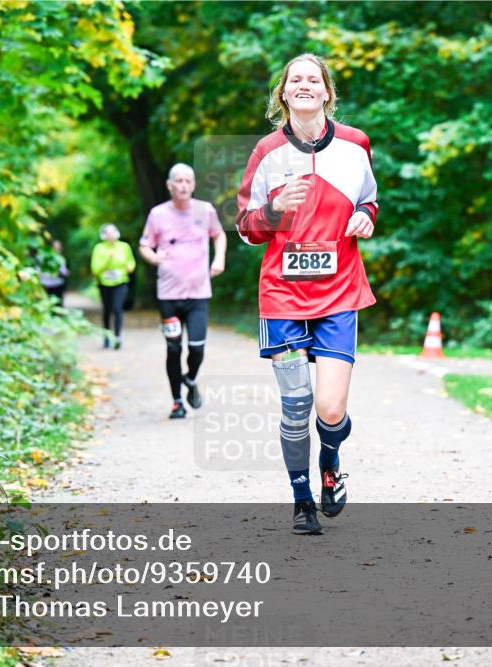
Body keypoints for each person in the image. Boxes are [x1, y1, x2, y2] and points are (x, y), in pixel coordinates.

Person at [235, 54, 377, 535]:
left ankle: (330, 467)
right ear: (283, 93)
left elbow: (368, 197)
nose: (303, 85)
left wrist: (367, 217)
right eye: (295, 79)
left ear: (326, 92)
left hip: (339, 292)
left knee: (330, 410)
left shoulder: (356, 144)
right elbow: (246, 227)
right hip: (283, 297)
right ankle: (301, 501)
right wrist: (273, 210)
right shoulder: (266, 151)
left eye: (312, 79)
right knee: (296, 406)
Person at [139, 163, 227, 419]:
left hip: (199, 294)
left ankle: (190, 379)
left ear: (194, 184)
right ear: (169, 185)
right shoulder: (158, 214)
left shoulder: (204, 210)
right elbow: (145, 245)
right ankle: (177, 401)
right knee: (174, 349)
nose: (184, 185)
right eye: (178, 181)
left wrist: (219, 258)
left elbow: (219, 235)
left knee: (197, 348)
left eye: (188, 180)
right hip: (168, 295)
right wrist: (153, 258)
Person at [91, 224, 135, 349]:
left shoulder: (124, 247)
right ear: (104, 235)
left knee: (117, 308)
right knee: (107, 310)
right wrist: (107, 260)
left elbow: (131, 261)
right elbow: (95, 269)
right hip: (104, 284)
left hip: (121, 282)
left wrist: (130, 267)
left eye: (113, 232)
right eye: (108, 233)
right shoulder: (99, 248)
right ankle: (106, 336)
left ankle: (117, 337)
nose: (111, 235)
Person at [39, 239, 70, 303]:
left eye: (59, 248)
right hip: (46, 284)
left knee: (57, 304)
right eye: (56, 247)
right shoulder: (44, 257)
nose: (57, 249)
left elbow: (63, 272)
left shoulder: (61, 259)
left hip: (57, 284)